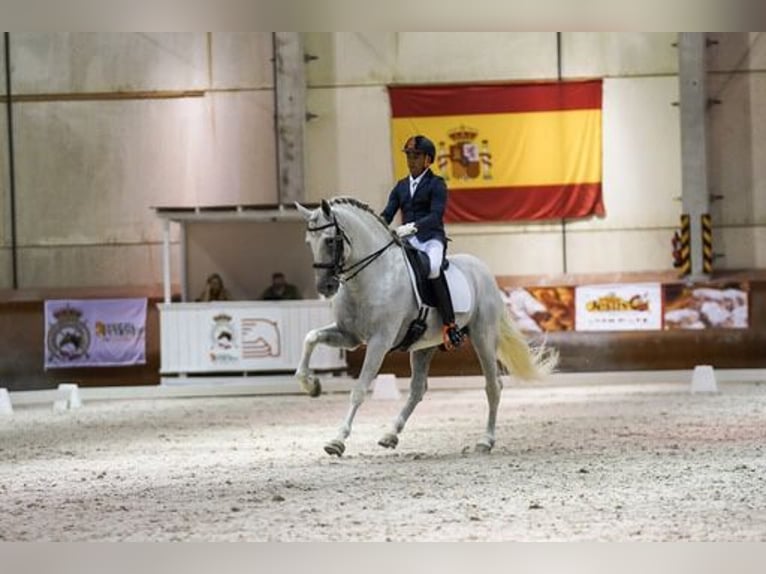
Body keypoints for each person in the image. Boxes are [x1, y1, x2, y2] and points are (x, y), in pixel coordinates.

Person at [380, 134, 464, 350]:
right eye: (409, 156)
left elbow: (436, 215)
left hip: (430, 239)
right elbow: (388, 213)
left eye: (416, 156)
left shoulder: (436, 184)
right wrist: (377, 225)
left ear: (428, 160)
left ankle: (449, 324)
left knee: (434, 268)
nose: (411, 161)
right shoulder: (400, 186)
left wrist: (415, 226)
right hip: (408, 241)